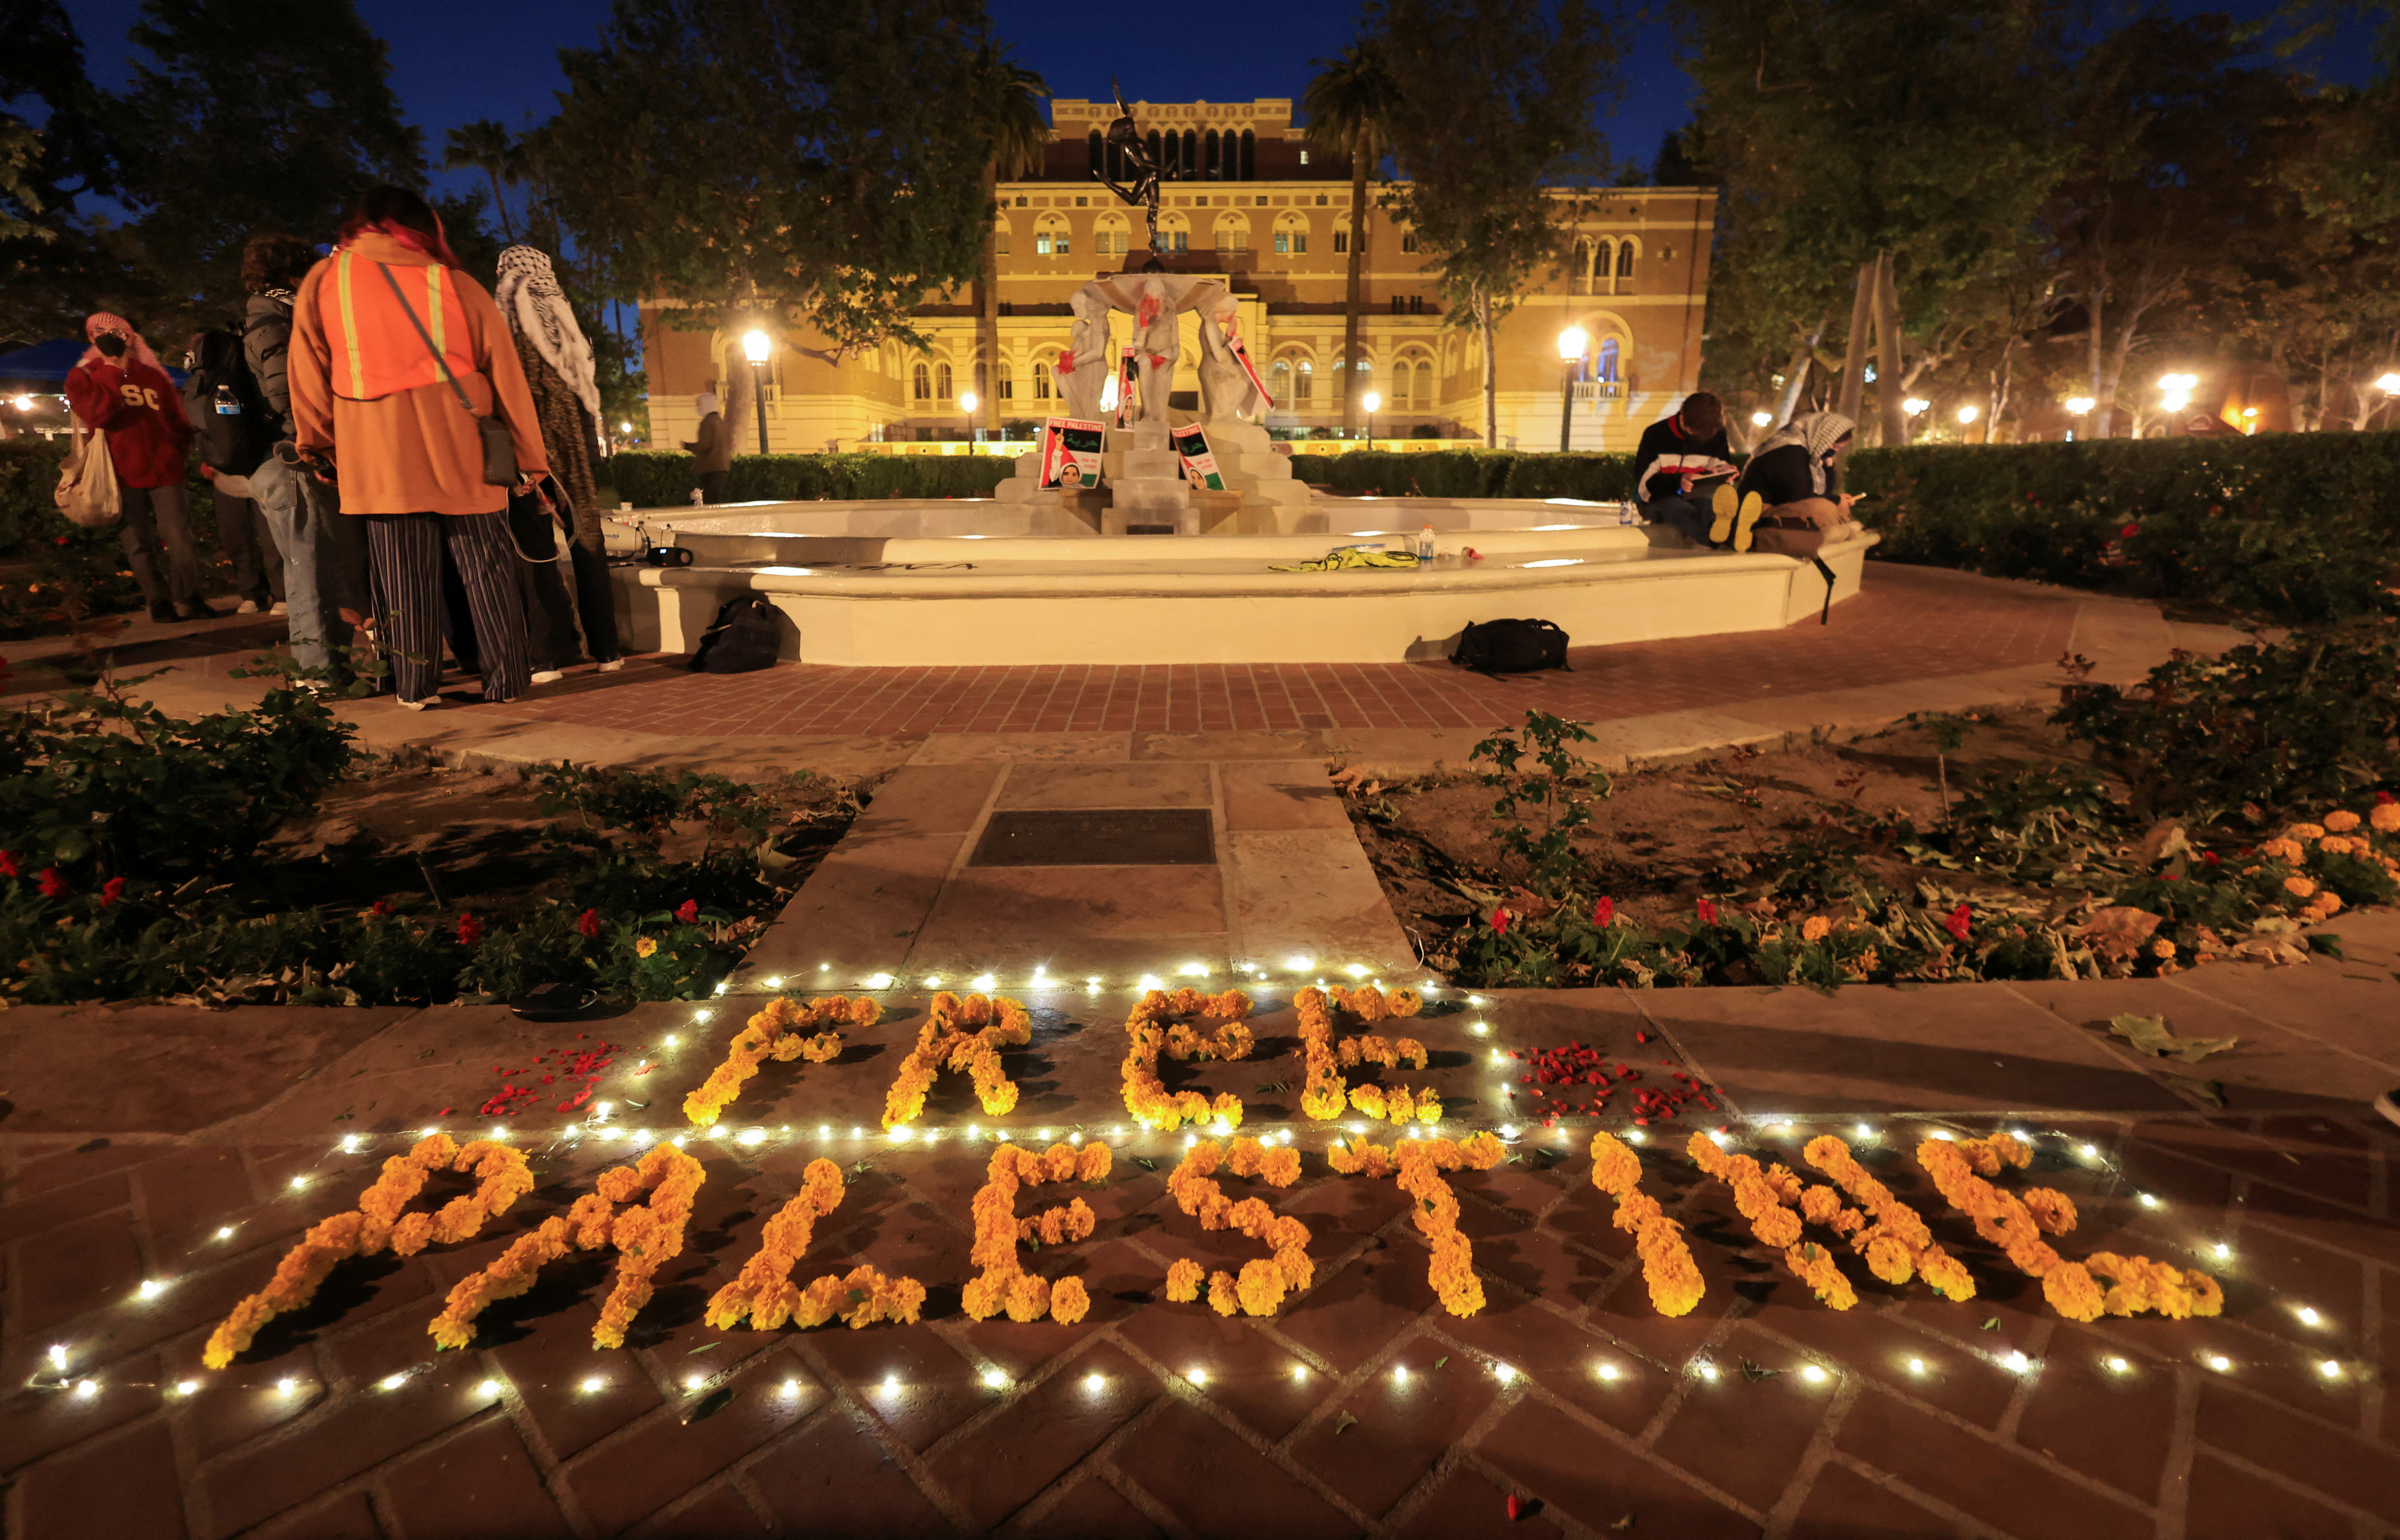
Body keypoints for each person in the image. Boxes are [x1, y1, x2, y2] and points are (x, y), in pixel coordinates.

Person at [287, 185, 549, 711]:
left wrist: (317, 442)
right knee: (488, 568)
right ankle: (507, 682)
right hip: (462, 443)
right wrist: (528, 454)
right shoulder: (454, 283)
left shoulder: (327, 279)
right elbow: (505, 370)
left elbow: (309, 371)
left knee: (403, 576)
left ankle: (415, 687)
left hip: (376, 446)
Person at [244, 231, 373, 678]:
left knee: (321, 567)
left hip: (293, 460)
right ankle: (319, 674)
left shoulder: (276, 314)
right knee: (309, 571)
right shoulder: (275, 319)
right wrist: (320, 440)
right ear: (293, 272)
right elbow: (285, 394)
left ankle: (328, 669)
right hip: (294, 462)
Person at [493, 244, 623, 679]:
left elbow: (512, 400)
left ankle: (546, 658)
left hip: (528, 454)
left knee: (535, 552)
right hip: (575, 456)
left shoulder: (509, 331)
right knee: (588, 545)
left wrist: (516, 462)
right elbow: (588, 403)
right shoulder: (571, 331)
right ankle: (608, 651)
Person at [63, 312, 212, 623]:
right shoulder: (83, 377)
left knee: (181, 539)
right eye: (98, 332)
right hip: (120, 474)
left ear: (130, 336)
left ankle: (189, 597)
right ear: (91, 338)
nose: (107, 336)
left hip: (165, 470)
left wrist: (178, 452)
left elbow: (178, 421)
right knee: (139, 543)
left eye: (115, 331)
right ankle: (157, 601)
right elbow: (98, 414)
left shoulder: (154, 376)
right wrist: (110, 370)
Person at [180, 328, 285, 614]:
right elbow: (197, 425)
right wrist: (207, 455)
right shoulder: (197, 383)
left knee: (271, 533)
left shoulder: (243, 376)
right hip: (222, 467)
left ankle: (282, 593)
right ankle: (252, 592)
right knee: (235, 534)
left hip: (256, 462)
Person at [1721, 410, 1860, 554]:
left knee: (1838, 507)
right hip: (1759, 513)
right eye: (1833, 446)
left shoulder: (1809, 453)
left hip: (1783, 507)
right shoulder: (1789, 450)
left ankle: (1840, 532)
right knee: (1823, 509)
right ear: (1824, 435)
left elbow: (1824, 492)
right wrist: (1836, 500)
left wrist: (1828, 464)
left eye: (1837, 449)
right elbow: (1799, 494)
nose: (1832, 451)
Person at [1630, 391, 1737, 546]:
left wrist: (1726, 473)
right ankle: (1722, 543)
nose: (1701, 439)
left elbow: (1719, 467)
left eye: (1707, 437)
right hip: (1656, 500)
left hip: (1699, 494)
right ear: (1682, 419)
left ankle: (1729, 536)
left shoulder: (1717, 434)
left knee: (1708, 505)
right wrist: (1678, 482)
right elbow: (1644, 486)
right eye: (1696, 433)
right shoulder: (1655, 434)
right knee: (1679, 510)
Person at [684, 392, 730, 504]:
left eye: (699, 404)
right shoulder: (720, 421)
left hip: (711, 467)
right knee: (715, 499)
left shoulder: (708, 422)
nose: (698, 407)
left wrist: (688, 446)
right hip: (721, 467)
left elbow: (704, 445)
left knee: (710, 501)